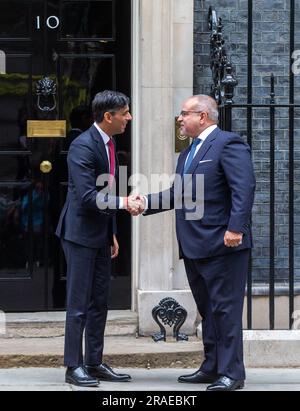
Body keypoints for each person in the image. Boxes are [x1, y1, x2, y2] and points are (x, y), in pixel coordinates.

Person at [133, 94, 256, 391]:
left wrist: (236, 228)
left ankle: (232, 373)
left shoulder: (228, 143)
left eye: (184, 113)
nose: (179, 118)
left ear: (202, 116)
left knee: (225, 310)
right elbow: (179, 194)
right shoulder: (186, 154)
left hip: (224, 242)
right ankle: (212, 366)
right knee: (208, 309)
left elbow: (244, 186)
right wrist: (143, 202)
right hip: (195, 244)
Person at [55, 90, 138, 387]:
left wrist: (112, 231)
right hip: (79, 235)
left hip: (101, 234)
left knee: (99, 301)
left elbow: (106, 188)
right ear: (108, 116)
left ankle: (94, 361)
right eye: (125, 113)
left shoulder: (110, 143)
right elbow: (90, 195)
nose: (129, 118)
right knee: (78, 303)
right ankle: (73, 366)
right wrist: (125, 203)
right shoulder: (82, 146)